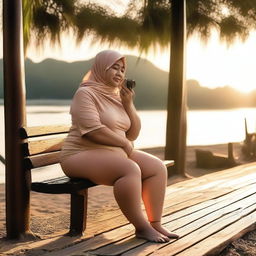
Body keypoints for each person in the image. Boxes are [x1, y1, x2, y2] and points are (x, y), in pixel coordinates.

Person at [60, 49, 179, 243]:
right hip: (79, 155)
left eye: (123, 69)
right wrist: (124, 143)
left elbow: (133, 133)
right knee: (129, 169)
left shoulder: (117, 96)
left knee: (156, 167)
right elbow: (93, 131)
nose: (120, 73)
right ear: (100, 68)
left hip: (112, 153)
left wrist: (129, 104)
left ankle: (155, 223)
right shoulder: (85, 93)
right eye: (114, 67)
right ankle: (142, 228)